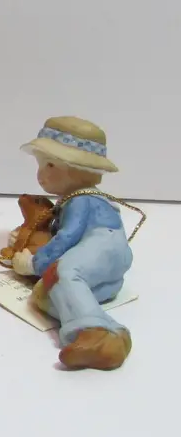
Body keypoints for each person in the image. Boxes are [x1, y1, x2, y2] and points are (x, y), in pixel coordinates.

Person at [11, 117, 133, 370]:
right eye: (40, 164)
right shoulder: (73, 199)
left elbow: (67, 236)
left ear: (78, 169)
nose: (40, 174)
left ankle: (95, 334)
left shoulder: (81, 200)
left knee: (64, 272)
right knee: (46, 296)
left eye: (50, 165)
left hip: (104, 242)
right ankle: (109, 334)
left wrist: (33, 263)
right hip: (106, 261)